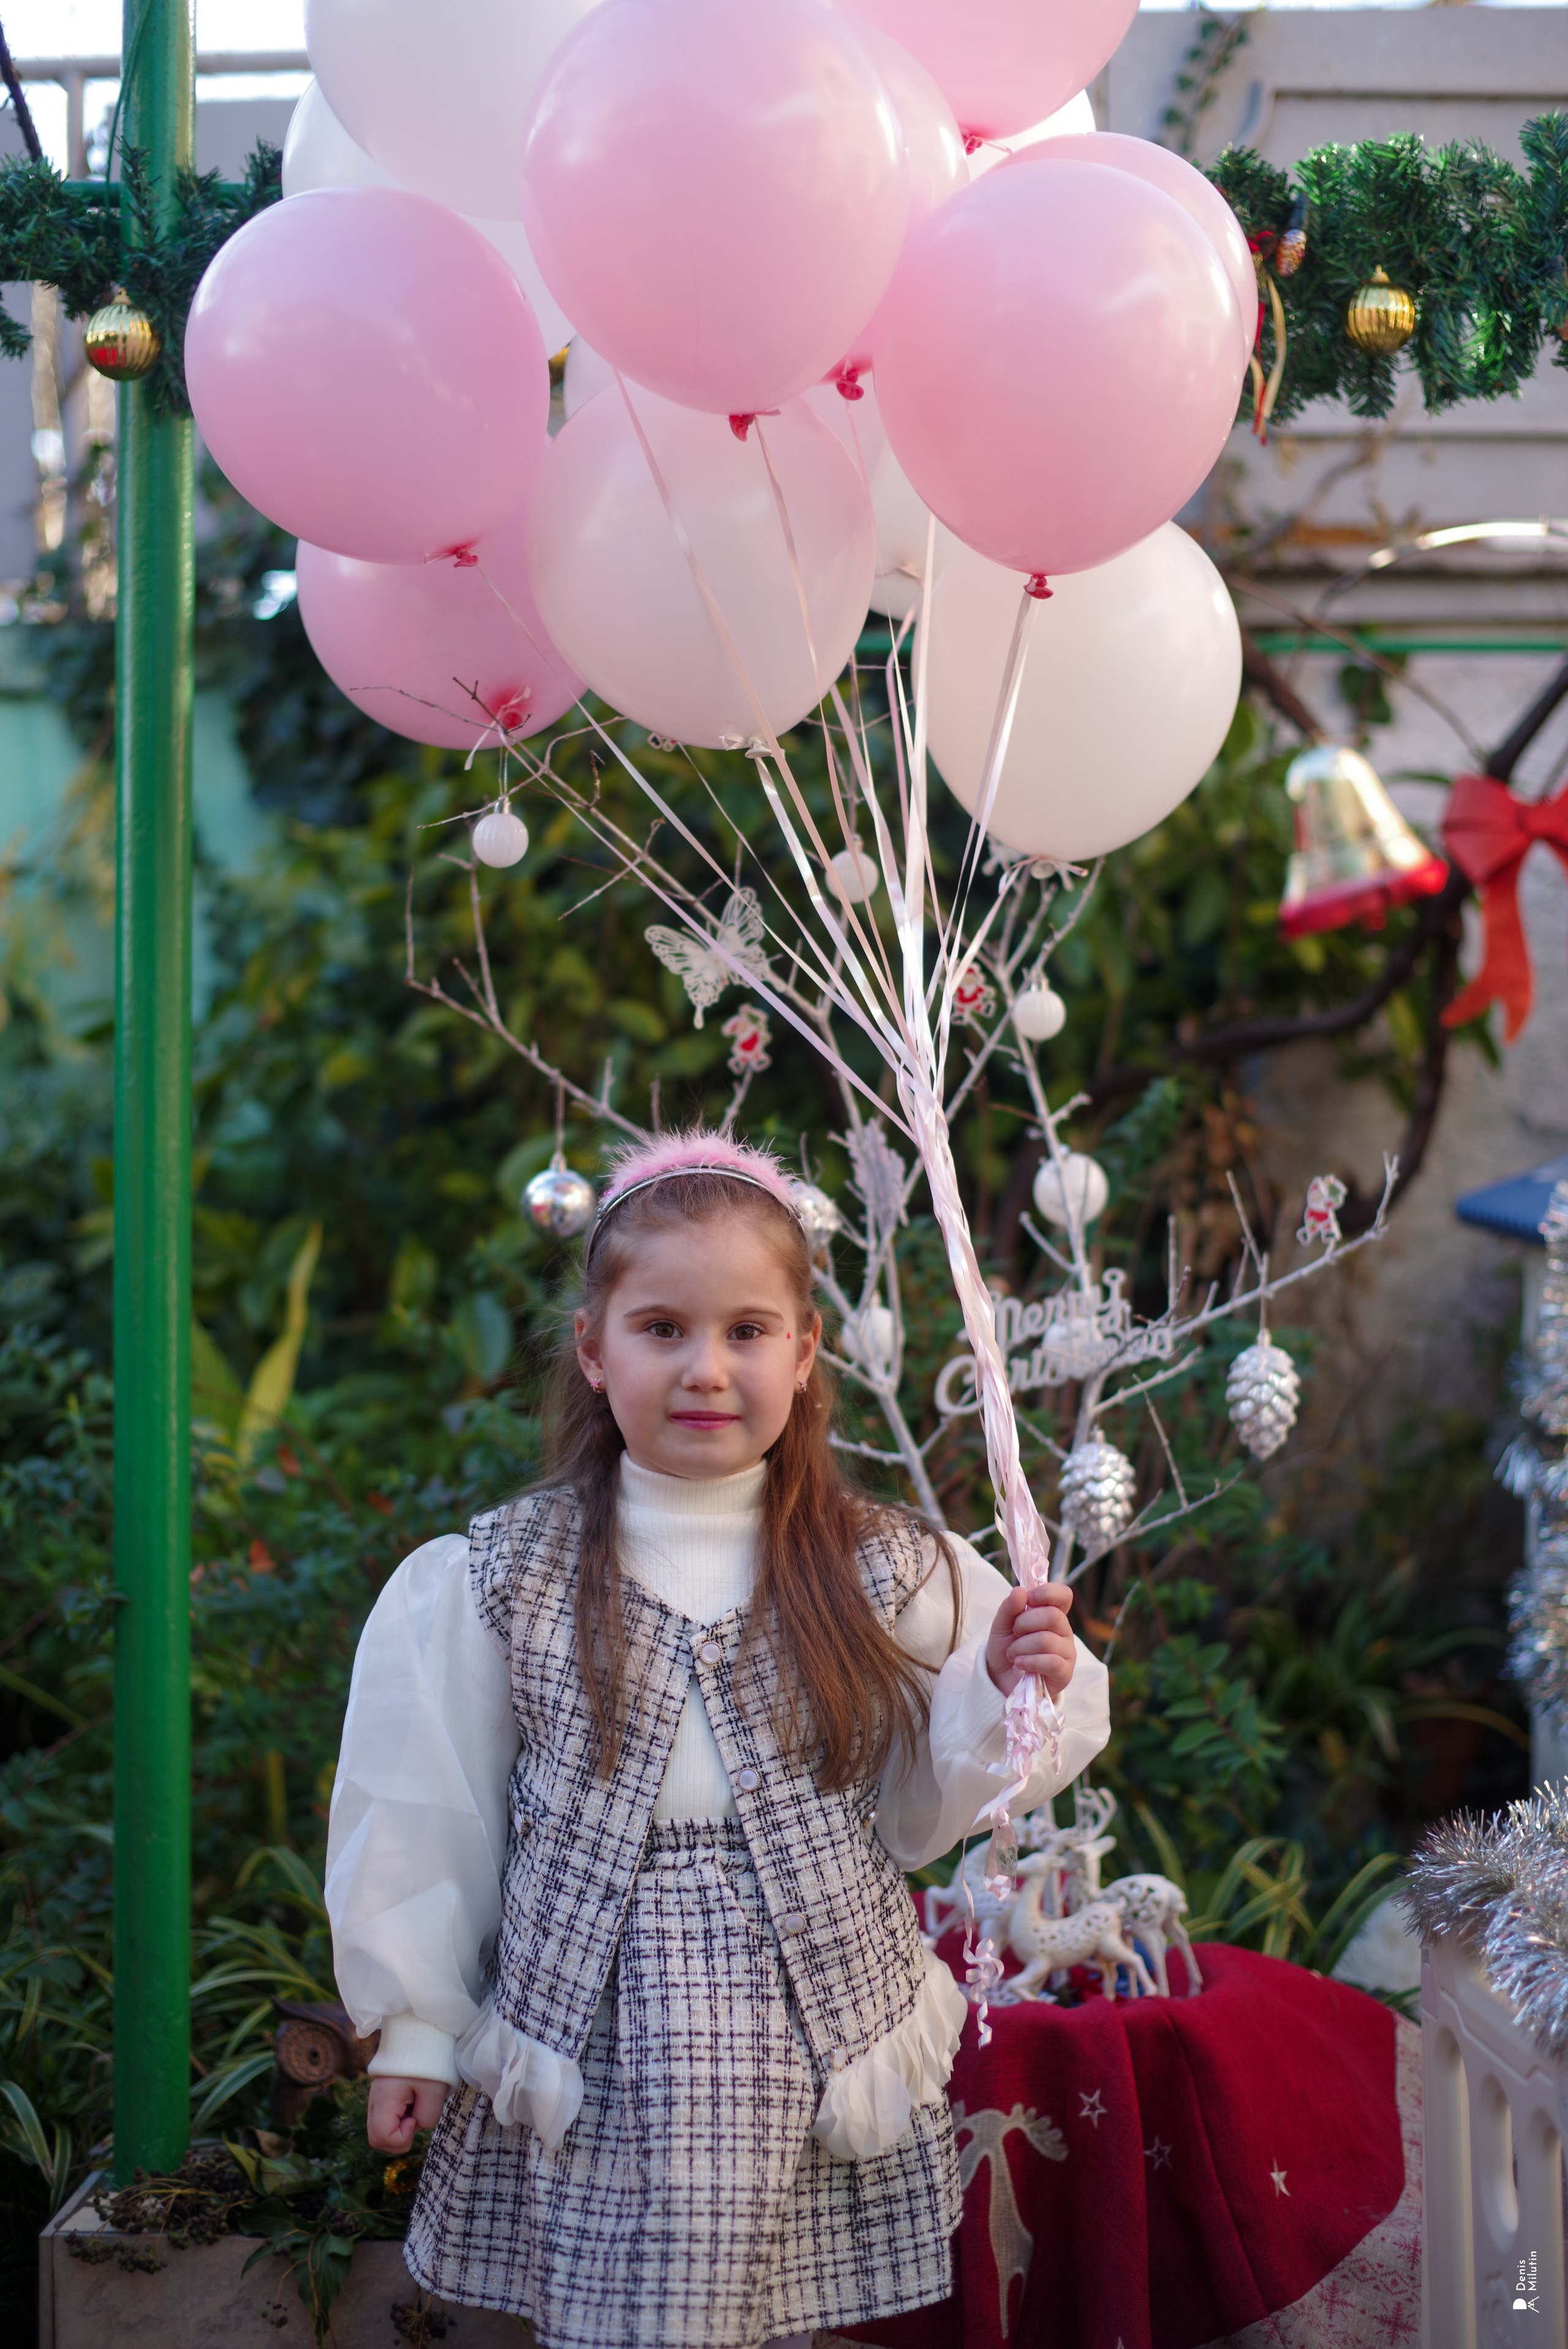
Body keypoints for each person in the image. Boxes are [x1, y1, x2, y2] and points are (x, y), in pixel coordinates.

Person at [325, 1130, 1110, 2349]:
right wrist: (416, 2023)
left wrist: (1005, 1684)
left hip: (800, 2023)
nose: (705, 1368)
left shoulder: (876, 1565)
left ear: (803, 1353)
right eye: (661, 1329)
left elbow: (918, 1794)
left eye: (746, 1331)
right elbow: (432, 1809)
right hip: (599, 2025)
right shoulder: (502, 1578)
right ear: (592, 1349)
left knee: (768, 2318)